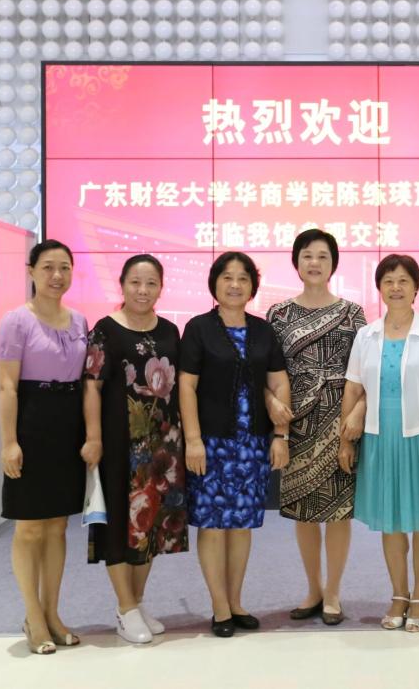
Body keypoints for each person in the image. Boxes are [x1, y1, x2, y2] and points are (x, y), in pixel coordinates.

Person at [338, 254, 419, 633]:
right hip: (379, 437)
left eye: (404, 280)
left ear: (416, 287)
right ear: (379, 288)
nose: (396, 287)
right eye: (388, 281)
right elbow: (353, 388)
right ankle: (399, 594)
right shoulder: (366, 336)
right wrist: (345, 441)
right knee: (390, 523)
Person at [179, 251, 292, 638]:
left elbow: (278, 382)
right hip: (211, 443)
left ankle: (237, 601)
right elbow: (187, 387)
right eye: (227, 277)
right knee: (213, 526)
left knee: (241, 525)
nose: (234, 285)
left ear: (252, 286)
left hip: (252, 444)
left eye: (243, 278)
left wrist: (281, 436)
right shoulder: (199, 329)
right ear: (214, 282)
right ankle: (219, 607)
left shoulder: (263, 331)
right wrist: (193, 440)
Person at [0, 239, 97, 655]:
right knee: (30, 526)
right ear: (32, 272)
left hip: (67, 425)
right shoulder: (16, 321)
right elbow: (7, 387)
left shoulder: (80, 320)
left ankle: (53, 614)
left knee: (57, 526)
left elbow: (87, 382)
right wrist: (9, 442)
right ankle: (33, 617)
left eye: (65, 268)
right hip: (32, 424)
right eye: (48, 267)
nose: (57, 276)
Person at [83, 254, 188, 645]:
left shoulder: (170, 330)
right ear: (122, 285)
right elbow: (91, 387)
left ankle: (136, 603)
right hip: (118, 444)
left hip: (163, 446)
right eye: (135, 283)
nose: (143, 291)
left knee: (153, 526)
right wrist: (94, 438)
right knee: (118, 527)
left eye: (151, 283)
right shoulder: (105, 330)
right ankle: (125, 608)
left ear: (161, 287)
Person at [266, 230, 366, 626]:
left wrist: (357, 415)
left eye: (323, 256)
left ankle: (334, 592)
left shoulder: (353, 313)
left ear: (333, 264)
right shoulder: (279, 314)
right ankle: (313, 589)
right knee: (305, 512)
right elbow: (266, 370)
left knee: (338, 512)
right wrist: (272, 407)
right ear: (296, 262)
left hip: (341, 421)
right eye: (307, 255)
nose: (314, 263)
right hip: (296, 422)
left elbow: (367, 371)